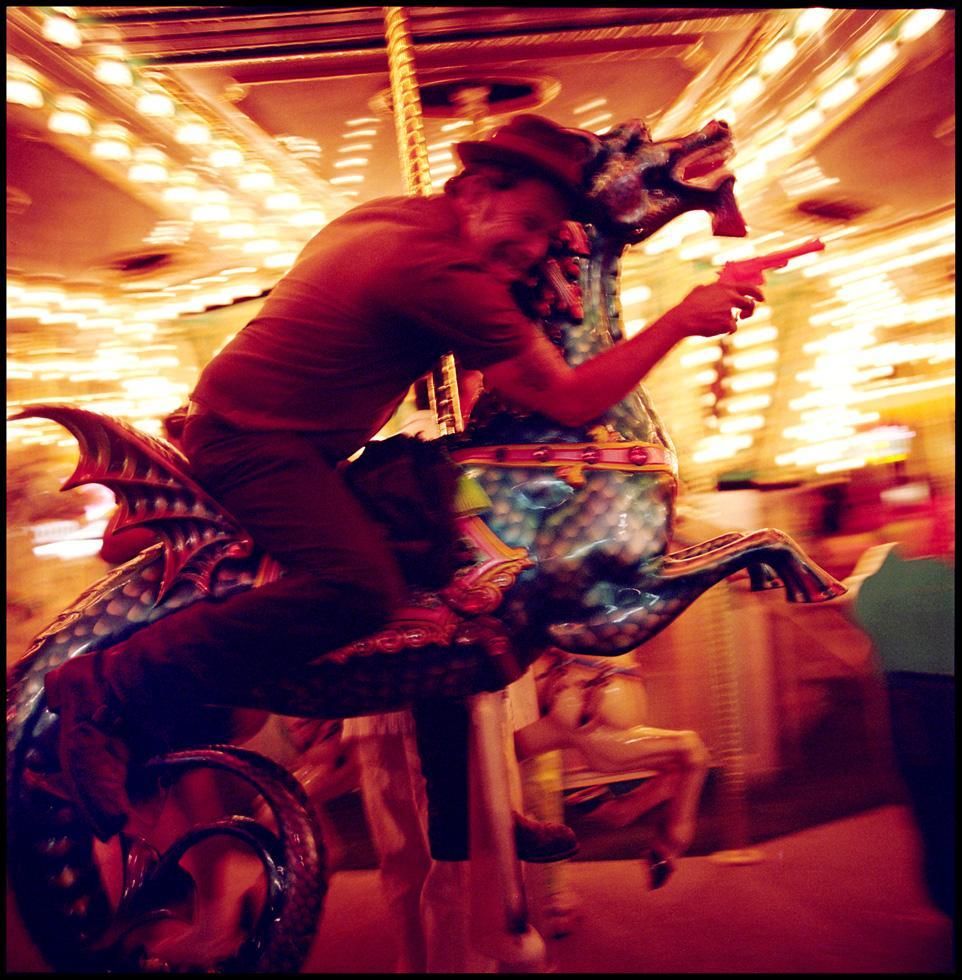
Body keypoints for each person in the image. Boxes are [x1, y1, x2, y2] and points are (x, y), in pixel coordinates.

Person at [43, 114, 762, 866]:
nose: (531, 246)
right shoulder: (441, 273)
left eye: (548, 234)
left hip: (297, 441)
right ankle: (102, 685)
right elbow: (575, 402)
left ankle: (478, 810)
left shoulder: (402, 218)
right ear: (480, 189)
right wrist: (682, 319)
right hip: (256, 445)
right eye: (526, 222)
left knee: (445, 582)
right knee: (357, 587)